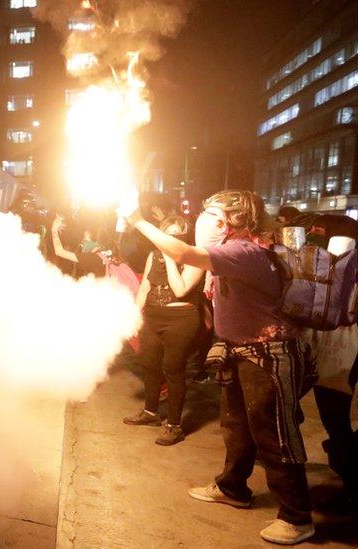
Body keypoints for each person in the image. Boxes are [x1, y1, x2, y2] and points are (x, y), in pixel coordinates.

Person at [125, 190, 317, 545]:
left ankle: (297, 515)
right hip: (241, 351)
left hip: (268, 355)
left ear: (237, 221)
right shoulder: (234, 252)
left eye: (212, 214)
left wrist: (137, 220)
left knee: (274, 435)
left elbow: (182, 253)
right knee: (237, 426)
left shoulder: (243, 251)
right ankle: (232, 487)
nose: (203, 220)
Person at [123, 216, 205, 446]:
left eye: (176, 235)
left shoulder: (195, 258)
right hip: (153, 315)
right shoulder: (152, 255)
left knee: (173, 369)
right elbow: (145, 288)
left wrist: (171, 257)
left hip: (181, 319)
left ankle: (174, 424)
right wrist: (134, 316)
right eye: (166, 234)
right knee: (149, 364)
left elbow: (180, 290)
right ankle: (151, 413)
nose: (170, 240)